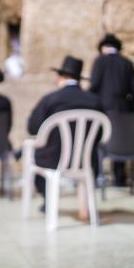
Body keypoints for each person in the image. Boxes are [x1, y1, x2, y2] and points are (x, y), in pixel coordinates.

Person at [28, 55, 102, 213]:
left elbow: (32, 127)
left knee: (36, 155)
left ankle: (48, 199)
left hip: (53, 159)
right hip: (85, 159)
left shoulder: (50, 99)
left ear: (61, 76)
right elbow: (100, 134)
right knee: (93, 155)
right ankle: (85, 209)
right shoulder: (94, 101)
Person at [89, 33, 134, 186]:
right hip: (123, 111)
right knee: (119, 143)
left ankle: (95, 176)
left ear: (103, 48)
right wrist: (131, 111)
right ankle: (119, 179)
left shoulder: (99, 61)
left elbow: (94, 86)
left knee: (96, 141)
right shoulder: (127, 63)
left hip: (102, 111)